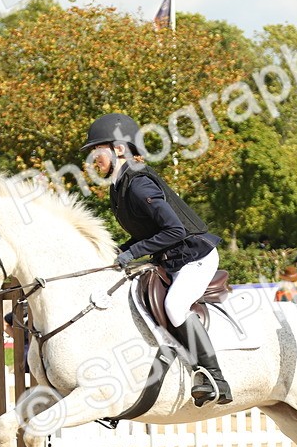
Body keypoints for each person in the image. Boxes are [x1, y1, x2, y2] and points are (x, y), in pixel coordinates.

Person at [81, 112, 231, 406]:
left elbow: (174, 229)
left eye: (97, 151)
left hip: (195, 255)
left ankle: (215, 378)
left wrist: (132, 253)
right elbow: (146, 232)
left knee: (175, 306)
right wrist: (120, 251)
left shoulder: (137, 184)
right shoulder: (118, 187)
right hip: (171, 258)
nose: (93, 160)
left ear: (119, 148)